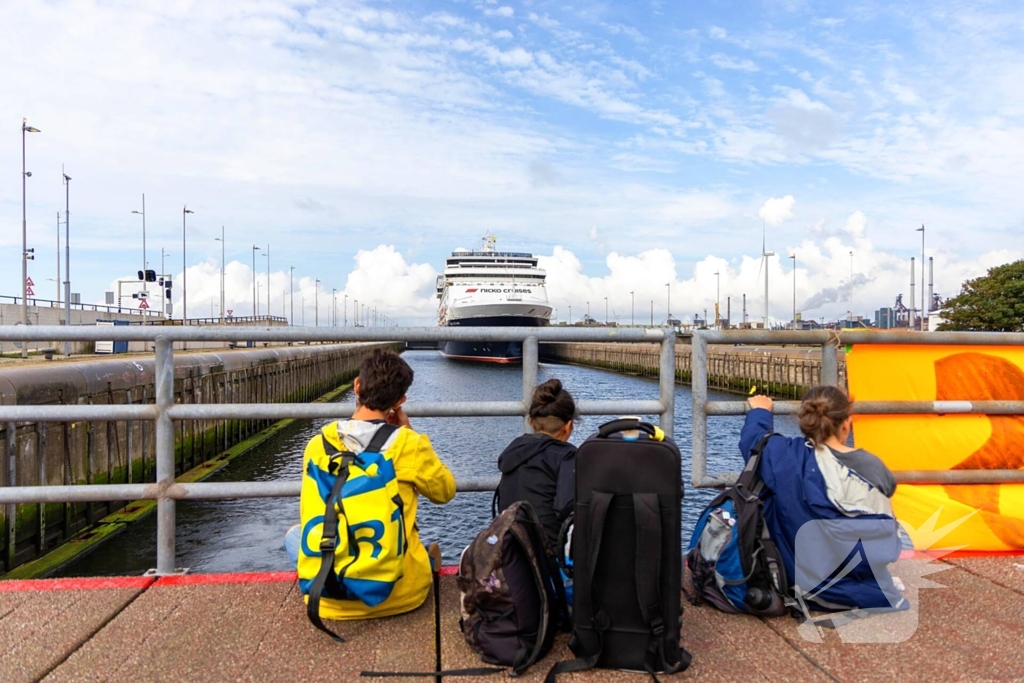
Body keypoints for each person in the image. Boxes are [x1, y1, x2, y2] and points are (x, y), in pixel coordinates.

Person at [285, 349, 455, 619]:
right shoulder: (407, 444)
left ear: (356, 385)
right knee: (410, 540)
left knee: (294, 534)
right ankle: (424, 560)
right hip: (401, 596)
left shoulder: (317, 445)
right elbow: (445, 492)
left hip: (326, 601)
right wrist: (408, 433)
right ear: (400, 401)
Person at [741, 385, 905, 612]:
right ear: (846, 423)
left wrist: (760, 412)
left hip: (801, 584)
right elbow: (888, 488)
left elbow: (754, 442)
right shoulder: (871, 466)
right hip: (862, 591)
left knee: (773, 493)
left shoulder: (783, 454)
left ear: (804, 421)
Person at [495, 378, 577, 551]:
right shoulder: (567, 456)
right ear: (568, 426)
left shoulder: (513, 451)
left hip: (510, 549)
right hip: (548, 557)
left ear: (531, 422)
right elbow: (566, 508)